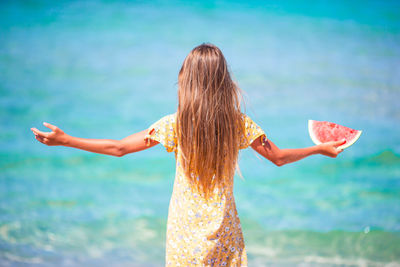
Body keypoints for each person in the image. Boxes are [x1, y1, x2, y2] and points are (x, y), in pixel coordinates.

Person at [31, 43, 344, 266]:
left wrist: (67, 140)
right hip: (225, 237)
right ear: (224, 80)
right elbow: (279, 157)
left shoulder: (176, 125)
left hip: (183, 239)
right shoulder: (238, 124)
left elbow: (119, 148)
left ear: (187, 80)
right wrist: (319, 148)